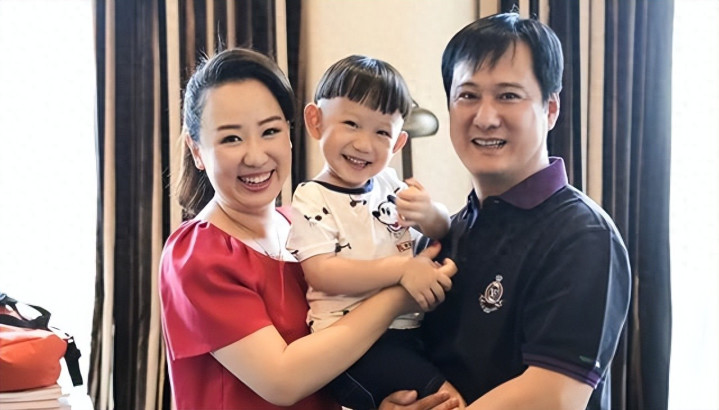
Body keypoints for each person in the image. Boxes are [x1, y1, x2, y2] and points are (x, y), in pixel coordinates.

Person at [158, 48, 459, 410]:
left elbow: (331, 369)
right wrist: (400, 293)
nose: (256, 156)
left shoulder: (299, 226)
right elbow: (283, 382)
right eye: (231, 138)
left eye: (270, 131)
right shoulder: (199, 254)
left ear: (290, 133)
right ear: (196, 149)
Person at [390, 12, 632, 410]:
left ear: (550, 109)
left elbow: (554, 396)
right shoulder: (445, 234)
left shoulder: (583, 236)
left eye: (508, 96)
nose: (485, 118)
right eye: (468, 96)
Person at [285, 55, 462, 409]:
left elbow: (443, 230)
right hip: (350, 346)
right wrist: (402, 270)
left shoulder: (389, 183)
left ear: (398, 143)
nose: (364, 144)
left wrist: (431, 213)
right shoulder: (312, 197)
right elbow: (322, 273)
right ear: (315, 121)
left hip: (406, 331)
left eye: (381, 132)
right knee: (450, 400)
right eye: (351, 123)